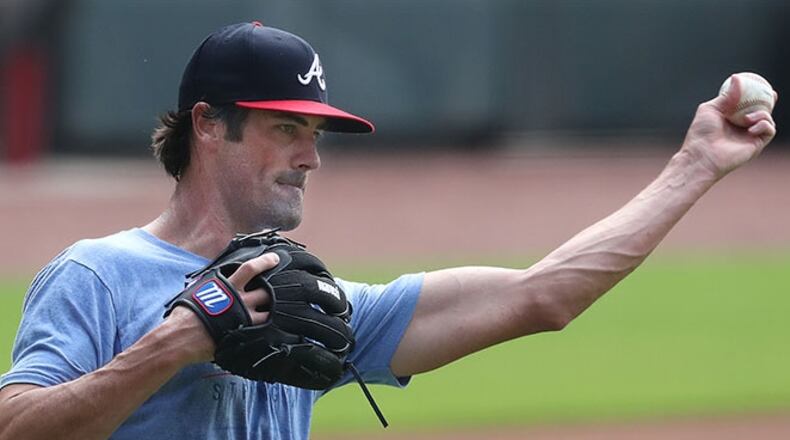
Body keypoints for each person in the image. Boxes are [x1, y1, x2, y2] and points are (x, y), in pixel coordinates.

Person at [0, 21, 777, 440]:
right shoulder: (96, 276)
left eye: (316, 134)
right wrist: (178, 340)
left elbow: (544, 296)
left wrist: (696, 164)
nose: (311, 156)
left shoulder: (303, 300)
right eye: (285, 130)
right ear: (209, 124)